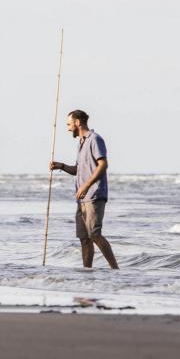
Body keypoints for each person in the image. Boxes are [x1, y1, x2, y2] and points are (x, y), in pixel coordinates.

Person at [50, 109, 119, 269]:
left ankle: (116, 270)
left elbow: (103, 165)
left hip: (94, 194)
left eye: (69, 124)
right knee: (84, 238)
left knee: (94, 234)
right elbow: (77, 170)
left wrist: (86, 186)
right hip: (81, 198)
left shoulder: (94, 139)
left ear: (78, 122)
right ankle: (86, 274)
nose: (68, 128)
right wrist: (60, 166)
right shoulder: (81, 143)